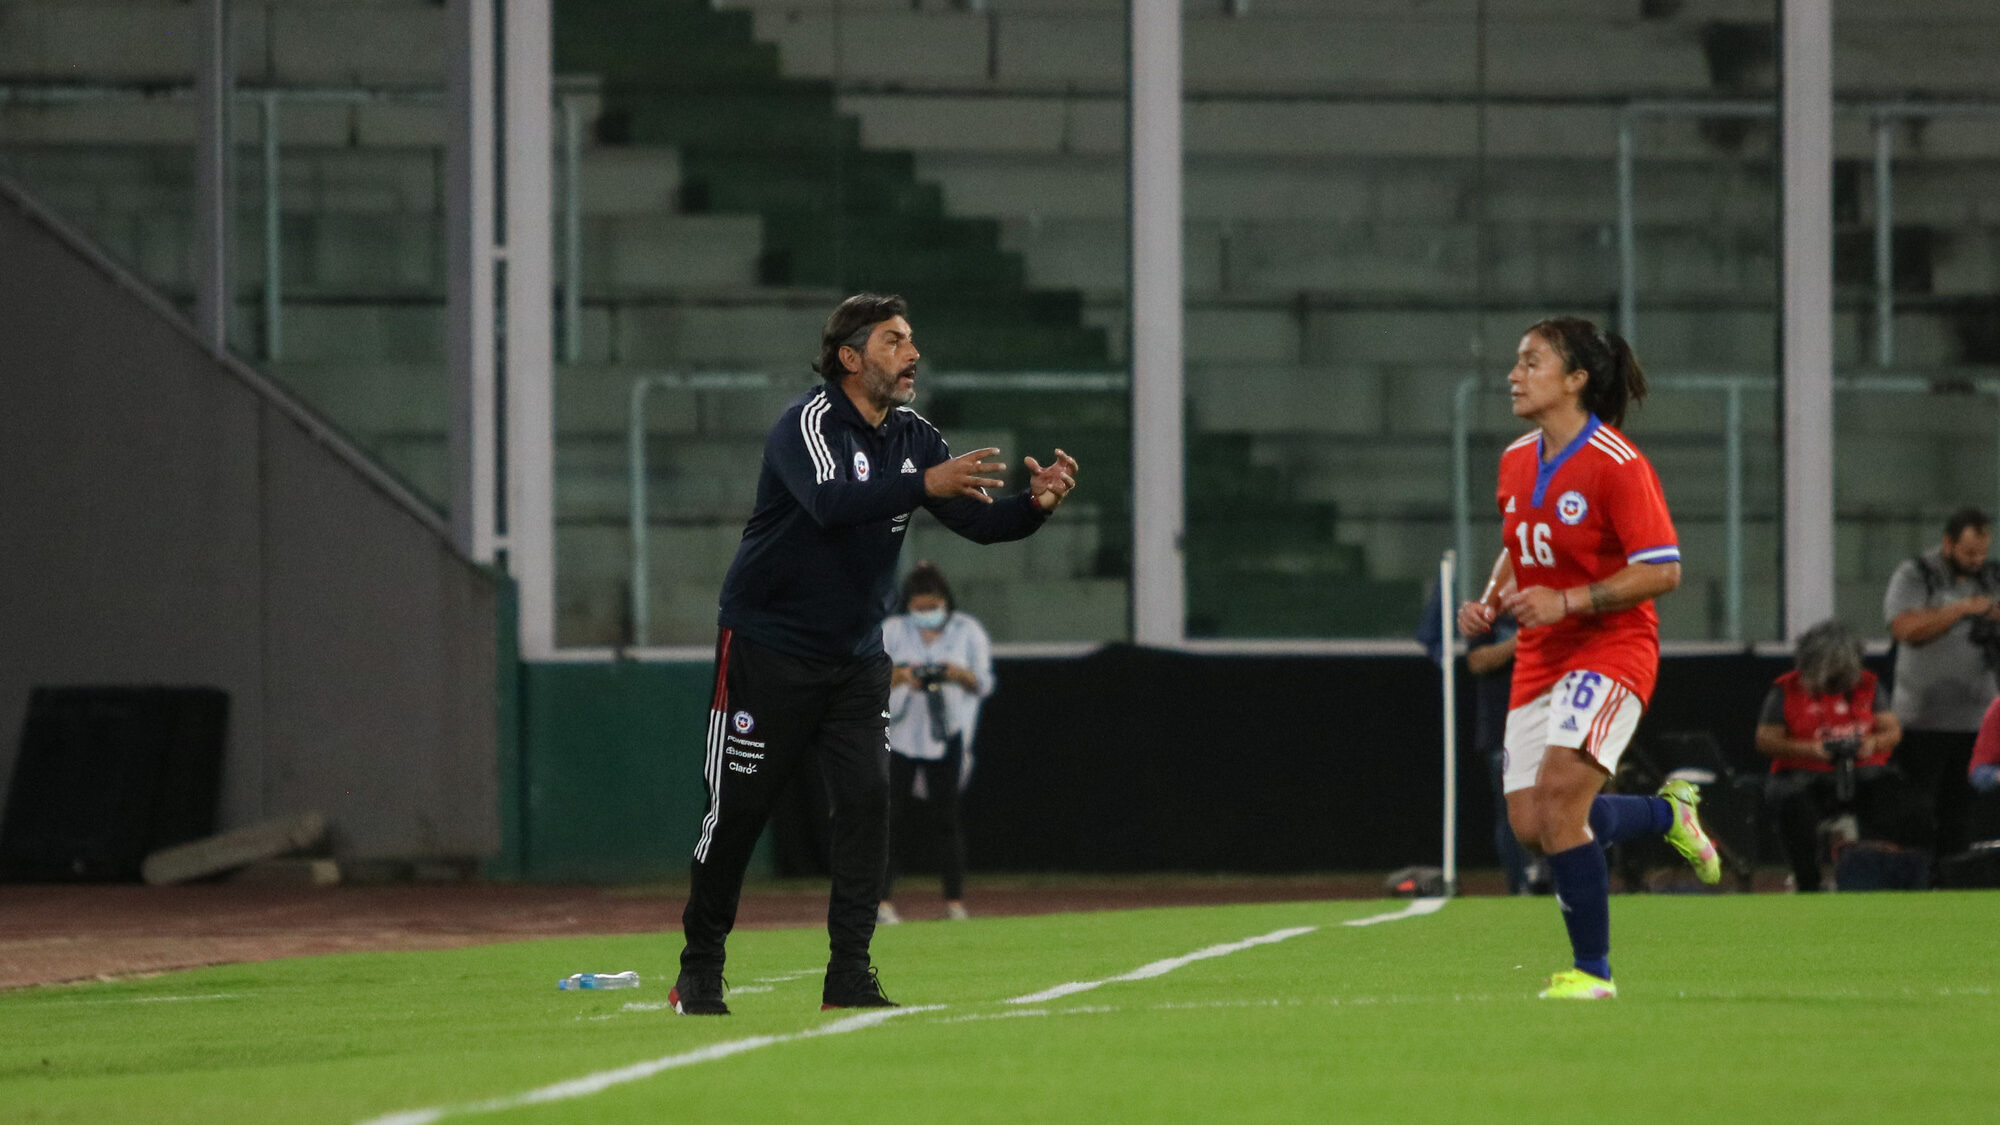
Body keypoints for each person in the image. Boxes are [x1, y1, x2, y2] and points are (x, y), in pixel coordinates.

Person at [670, 293, 1080, 1016]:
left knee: (866, 802)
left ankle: (849, 974)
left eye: (912, 339)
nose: (912, 353)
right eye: (894, 341)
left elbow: (979, 524)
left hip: (857, 657)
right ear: (851, 358)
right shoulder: (808, 425)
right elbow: (830, 502)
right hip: (768, 648)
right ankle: (700, 968)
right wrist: (924, 484)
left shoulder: (914, 435)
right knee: (735, 814)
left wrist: (1035, 507)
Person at [1457, 316, 1719, 1002]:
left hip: (1611, 648)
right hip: (1543, 654)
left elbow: (1662, 571)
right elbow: (1521, 541)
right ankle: (1668, 816)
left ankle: (1593, 972)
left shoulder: (1619, 464)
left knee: (1562, 809)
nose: (1514, 374)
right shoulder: (1517, 458)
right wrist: (1489, 601)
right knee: (1532, 826)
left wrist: (1569, 600)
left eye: (1531, 361)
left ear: (1575, 380)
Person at [1753, 620, 1908, 892]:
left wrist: (1872, 743)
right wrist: (1810, 749)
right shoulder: (1787, 689)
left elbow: (1892, 731)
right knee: (1792, 802)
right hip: (1802, 775)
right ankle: (1807, 881)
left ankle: (1880, 875)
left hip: (1861, 772)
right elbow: (1766, 740)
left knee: (1895, 794)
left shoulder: (1868, 686)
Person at [1883, 507, 2000, 863]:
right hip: (1922, 719)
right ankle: (1916, 882)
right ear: (1948, 543)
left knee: (1962, 817)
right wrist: (1961, 610)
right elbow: (1905, 630)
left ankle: (1956, 881)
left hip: (1977, 720)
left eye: (1982, 552)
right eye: (1968, 553)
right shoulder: (1916, 575)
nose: (1976, 560)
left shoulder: (1991, 578)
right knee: (1916, 812)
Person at [877, 562, 992, 924]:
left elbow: (984, 684)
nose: (926, 615)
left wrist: (957, 674)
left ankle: (954, 901)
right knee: (891, 819)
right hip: (902, 735)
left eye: (932, 607)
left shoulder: (967, 631)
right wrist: (902, 676)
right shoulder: (893, 631)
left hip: (947, 734)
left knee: (947, 820)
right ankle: (882, 902)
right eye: (919, 608)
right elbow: (870, 676)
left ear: (945, 602)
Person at [1417, 585, 1541, 894]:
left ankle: (1555, 880)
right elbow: (1478, 661)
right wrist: (1523, 640)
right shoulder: (1487, 617)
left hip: (1548, 724)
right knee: (1512, 811)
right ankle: (1520, 883)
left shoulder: (1548, 612)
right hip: (1503, 729)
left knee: (1558, 807)